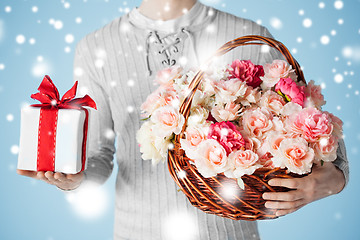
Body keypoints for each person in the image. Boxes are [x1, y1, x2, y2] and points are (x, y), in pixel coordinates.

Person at [17, 0, 349, 239]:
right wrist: (74, 180)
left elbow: (322, 138)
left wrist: (328, 182)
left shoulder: (248, 36)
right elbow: (101, 157)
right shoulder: (96, 47)